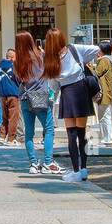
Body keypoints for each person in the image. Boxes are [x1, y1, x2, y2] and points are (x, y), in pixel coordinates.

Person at [44, 28, 101, 182]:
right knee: (82, 134)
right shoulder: (74, 49)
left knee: (71, 135)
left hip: (67, 94)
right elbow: (96, 49)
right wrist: (83, 61)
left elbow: (53, 85)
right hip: (81, 91)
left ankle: (76, 169)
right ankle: (83, 169)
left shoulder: (51, 59)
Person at [13, 30, 60, 174]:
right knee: (49, 129)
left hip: (25, 98)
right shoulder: (41, 56)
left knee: (29, 133)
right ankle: (47, 162)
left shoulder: (17, 62)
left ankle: (33, 163)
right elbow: (51, 70)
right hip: (40, 96)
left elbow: (18, 79)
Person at [0, 47, 22, 144]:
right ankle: (11, 139)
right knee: (13, 118)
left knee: (5, 117)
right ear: (12, 58)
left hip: (2, 95)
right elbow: (19, 80)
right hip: (13, 95)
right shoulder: (15, 66)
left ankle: (2, 137)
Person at [92, 41, 112, 146]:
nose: (97, 52)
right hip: (106, 92)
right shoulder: (106, 60)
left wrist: (89, 66)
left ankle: (108, 138)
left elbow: (97, 72)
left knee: (105, 115)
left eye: (98, 50)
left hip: (104, 92)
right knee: (103, 115)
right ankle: (105, 137)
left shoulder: (104, 60)